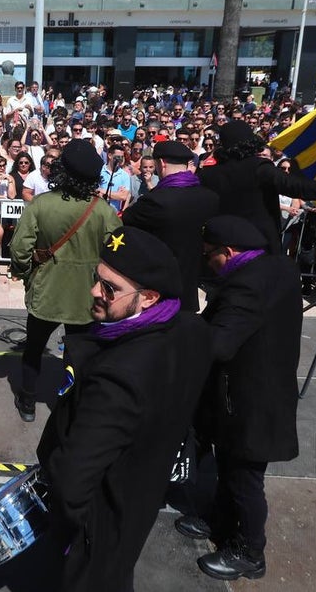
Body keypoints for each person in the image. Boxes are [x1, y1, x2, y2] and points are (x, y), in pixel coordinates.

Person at [37, 227, 212, 591]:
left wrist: (72, 526)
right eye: (96, 278)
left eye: (110, 288)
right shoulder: (190, 328)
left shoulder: (116, 377)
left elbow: (72, 482)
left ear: (148, 298)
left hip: (101, 516)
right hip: (144, 491)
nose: (94, 292)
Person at [182, 216, 304, 581]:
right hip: (257, 389)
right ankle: (220, 519)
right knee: (229, 465)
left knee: (244, 478)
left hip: (251, 397)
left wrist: (183, 332)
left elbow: (219, 344)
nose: (208, 263)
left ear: (230, 251)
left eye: (210, 255)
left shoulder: (245, 285)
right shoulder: (277, 267)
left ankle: (250, 552)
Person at [9, 140, 120, 422]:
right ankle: (72, 403)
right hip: (86, 295)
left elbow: (19, 249)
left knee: (34, 347)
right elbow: (117, 254)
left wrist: (26, 275)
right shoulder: (104, 211)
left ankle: (28, 400)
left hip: (46, 289)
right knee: (78, 353)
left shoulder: (41, 204)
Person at [199, 121, 316, 252]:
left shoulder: (207, 174)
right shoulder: (259, 168)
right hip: (257, 248)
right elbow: (302, 188)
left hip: (220, 250)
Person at [122, 141, 220, 312]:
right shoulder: (210, 197)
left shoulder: (155, 200)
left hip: (162, 286)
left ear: (161, 163)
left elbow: (128, 219)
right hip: (197, 277)